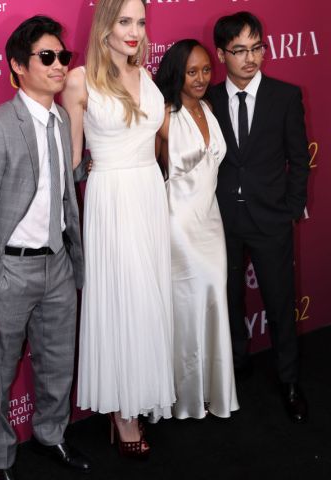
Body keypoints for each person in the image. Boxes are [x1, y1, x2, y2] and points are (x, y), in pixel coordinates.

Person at [0, 16, 91, 480]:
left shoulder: (62, 118)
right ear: (17, 66)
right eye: (46, 57)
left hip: (58, 267)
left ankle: (51, 436)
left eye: (62, 57)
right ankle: (0, 460)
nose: (57, 66)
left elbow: (63, 188)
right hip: (11, 271)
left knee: (57, 365)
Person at [62, 0, 175, 457]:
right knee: (122, 296)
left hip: (149, 194)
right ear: (104, 26)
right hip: (111, 199)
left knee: (147, 297)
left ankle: (139, 392)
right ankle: (122, 412)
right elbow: (71, 160)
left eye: (141, 22)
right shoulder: (77, 79)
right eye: (125, 21)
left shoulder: (145, 75)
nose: (134, 31)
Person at [210, 11, 310, 422]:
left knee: (281, 303)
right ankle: (238, 363)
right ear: (221, 54)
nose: (251, 58)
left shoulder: (286, 96)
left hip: (270, 220)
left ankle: (289, 379)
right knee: (228, 299)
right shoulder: (208, 99)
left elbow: (299, 160)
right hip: (220, 222)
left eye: (257, 48)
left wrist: (289, 207)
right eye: (239, 50)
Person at [155, 39, 239, 420]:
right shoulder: (162, 115)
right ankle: (184, 398)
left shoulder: (208, 107)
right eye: (193, 71)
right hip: (178, 226)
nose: (202, 78)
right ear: (177, 73)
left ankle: (213, 391)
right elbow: (142, 165)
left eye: (206, 70)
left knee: (215, 302)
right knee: (187, 310)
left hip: (211, 221)